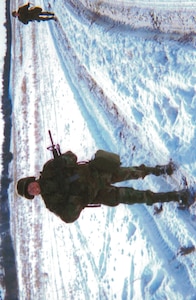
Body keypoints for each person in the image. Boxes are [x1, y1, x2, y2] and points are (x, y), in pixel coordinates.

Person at [17, 150, 189, 223]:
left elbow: (72, 156)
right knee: (137, 196)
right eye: (30, 192)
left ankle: (160, 170)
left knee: (132, 171)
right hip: (100, 193)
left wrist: (63, 162)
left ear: (32, 180)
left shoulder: (48, 169)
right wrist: (77, 200)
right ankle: (176, 196)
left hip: (97, 173)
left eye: (30, 186)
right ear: (33, 195)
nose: (33, 189)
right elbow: (68, 217)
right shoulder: (51, 202)